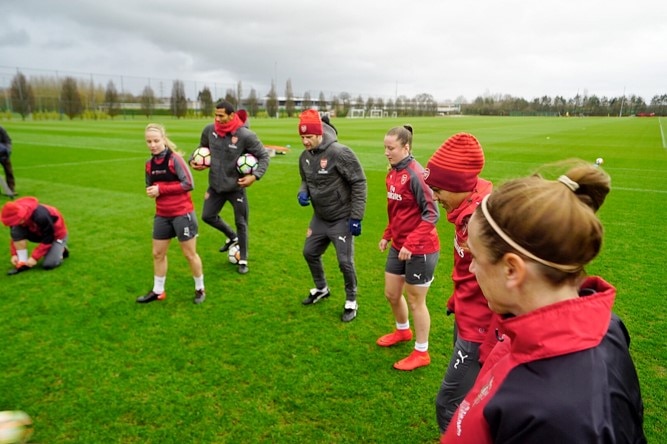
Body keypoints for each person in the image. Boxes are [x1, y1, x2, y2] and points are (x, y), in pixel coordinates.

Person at [441, 160, 646, 443]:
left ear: (512, 270)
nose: (472, 270)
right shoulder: (604, 326)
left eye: (476, 257)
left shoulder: (553, 416)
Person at [423, 133, 495, 433]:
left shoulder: (479, 222)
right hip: (467, 313)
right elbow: (470, 268)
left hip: (479, 325)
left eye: (438, 190)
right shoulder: (466, 207)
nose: (435, 196)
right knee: (474, 393)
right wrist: (458, 297)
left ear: (459, 186)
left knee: (448, 402)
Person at [377, 125, 440, 370]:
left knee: (416, 301)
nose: (386, 152)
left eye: (391, 148)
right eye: (385, 147)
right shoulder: (392, 173)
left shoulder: (416, 175)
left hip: (421, 248)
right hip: (399, 245)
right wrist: (387, 234)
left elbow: (431, 214)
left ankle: (422, 352)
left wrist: (411, 243)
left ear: (406, 147)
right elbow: (396, 211)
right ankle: (402, 331)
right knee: (392, 293)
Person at [297, 109, 367, 322]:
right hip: (320, 217)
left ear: (319, 134)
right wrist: (303, 191)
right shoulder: (304, 157)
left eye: (309, 137)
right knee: (309, 252)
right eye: (302, 137)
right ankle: (321, 288)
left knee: (345, 262)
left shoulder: (339, 152)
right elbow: (305, 179)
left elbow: (359, 182)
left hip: (342, 218)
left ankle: (351, 300)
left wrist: (356, 217)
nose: (305, 142)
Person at [191, 100, 269, 275]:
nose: (217, 119)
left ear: (232, 116)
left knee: (242, 222)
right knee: (207, 216)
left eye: (221, 116)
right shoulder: (209, 131)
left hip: (236, 187)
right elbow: (201, 148)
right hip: (215, 186)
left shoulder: (245, 135)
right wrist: (193, 160)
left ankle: (243, 259)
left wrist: (254, 176)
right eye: (215, 115)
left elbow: (264, 156)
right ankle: (232, 237)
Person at [136, 123, 206, 304]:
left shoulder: (174, 159)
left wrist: (161, 189)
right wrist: (151, 190)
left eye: (156, 140)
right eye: (148, 141)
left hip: (182, 214)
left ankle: (200, 288)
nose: (152, 144)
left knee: (189, 254)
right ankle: (158, 291)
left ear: (163, 139)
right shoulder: (149, 164)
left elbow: (189, 184)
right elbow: (150, 185)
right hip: (162, 215)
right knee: (157, 254)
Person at [1, 196, 68, 274]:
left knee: (49, 264)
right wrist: (14, 254)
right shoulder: (15, 220)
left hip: (56, 235)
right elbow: (15, 236)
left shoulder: (41, 216)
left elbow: (49, 237)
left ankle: (61, 249)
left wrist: (34, 258)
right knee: (17, 229)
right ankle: (22, 261)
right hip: (36, 232)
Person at [0, 125, 16, 197]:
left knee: (9, 171)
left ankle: (11, 189)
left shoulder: (1, 129)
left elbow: (8, 141)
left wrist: (7, 151)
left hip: (3, 152)